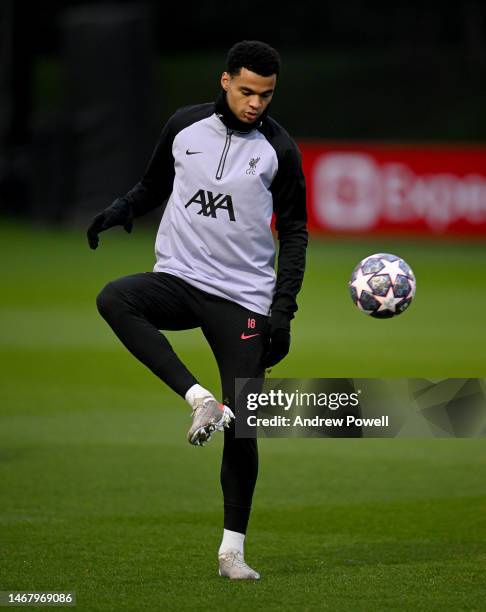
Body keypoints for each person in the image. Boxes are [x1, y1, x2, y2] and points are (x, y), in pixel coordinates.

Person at [87, 40, 307, 580]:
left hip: (243, 299)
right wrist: (120, 210)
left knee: (247, 423)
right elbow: (154, 185)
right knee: (115, 296)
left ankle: (232, 552)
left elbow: (296, 231)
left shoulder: (279, 148)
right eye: (249, 91)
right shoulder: (185, 128)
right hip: (179, 280)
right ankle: (198, 399)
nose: (257, 103)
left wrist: (282, 312)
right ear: (226, 80)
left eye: (268, 94)